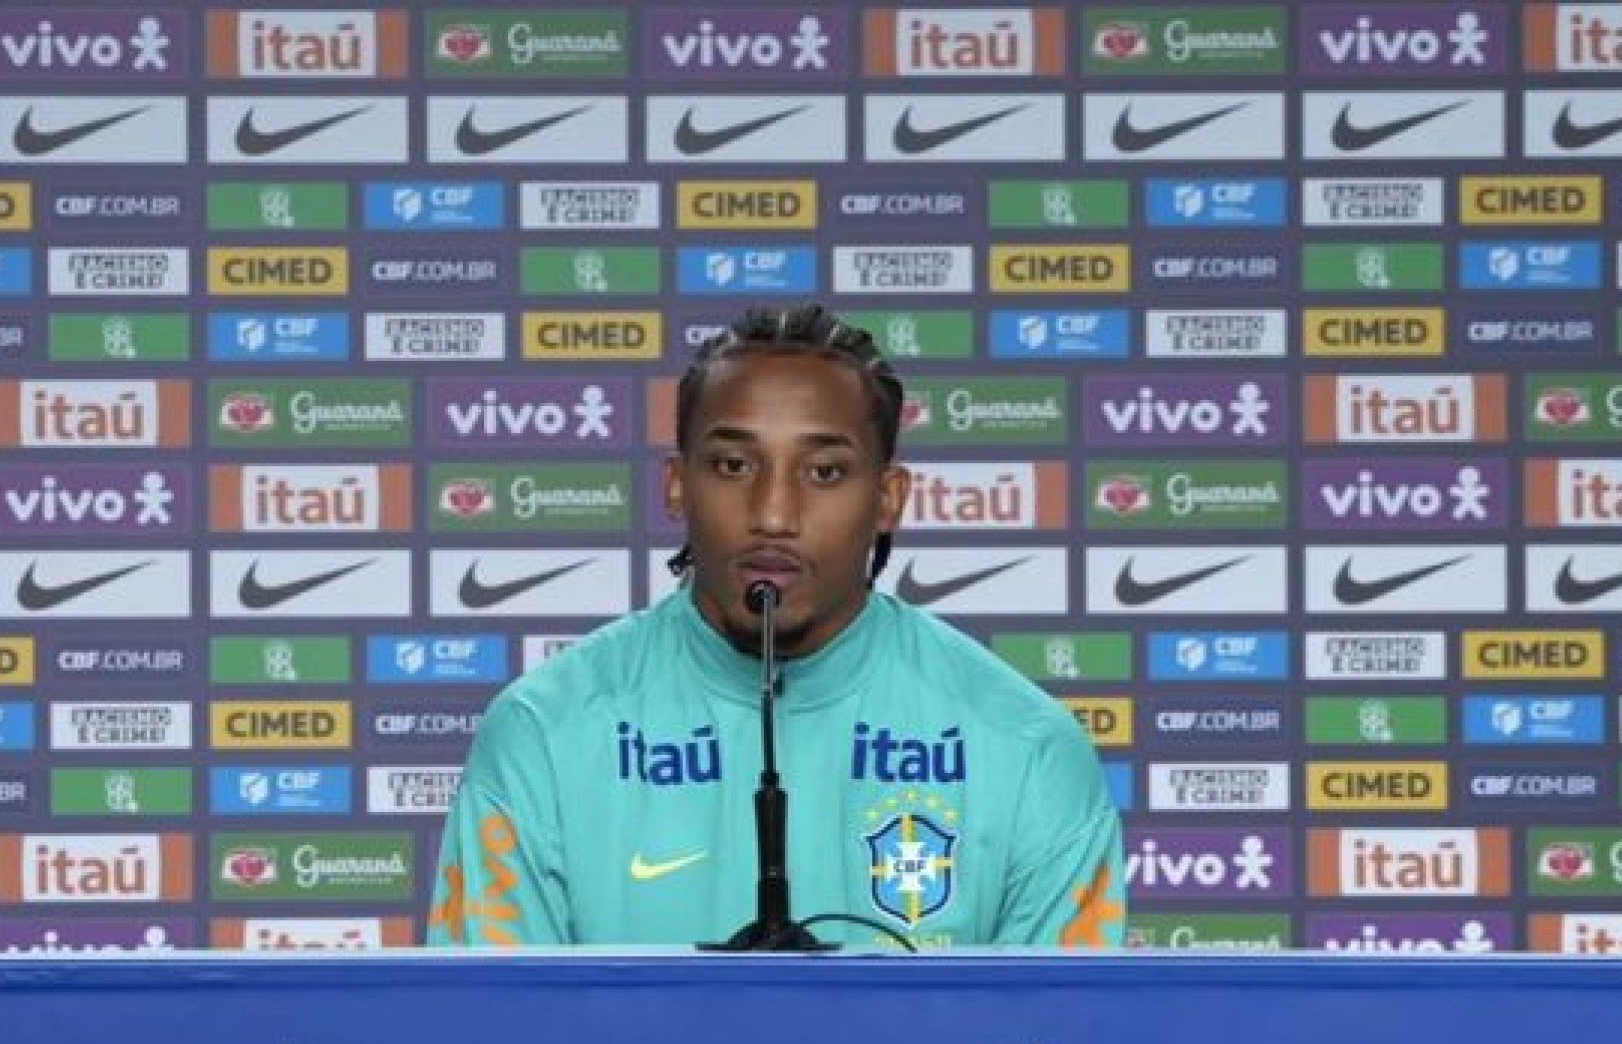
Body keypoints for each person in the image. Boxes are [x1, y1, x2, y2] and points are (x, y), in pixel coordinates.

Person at [428, 304, 1125, 949]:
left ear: (888, 499)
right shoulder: (543, 733)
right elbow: (492, 1043)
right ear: (677, 484)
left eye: (824, 471)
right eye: (733, 465)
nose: (772, 512)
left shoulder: (1028, 748)